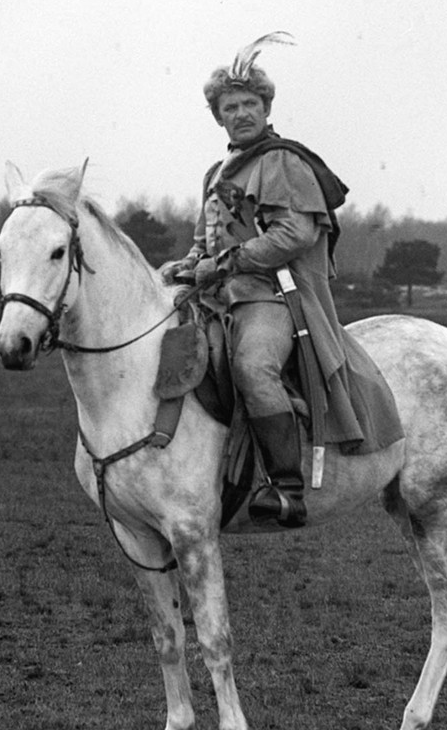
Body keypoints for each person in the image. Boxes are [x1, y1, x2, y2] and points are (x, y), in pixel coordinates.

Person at [163, 33, 403, 528]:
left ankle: (285, 487)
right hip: (216, 297)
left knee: (253, 365)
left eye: (251, 103)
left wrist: (224, 264)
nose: (242, 113)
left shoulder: (283, 162)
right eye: (231, 106)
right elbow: (204, 240)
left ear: (267, 107)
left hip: (272, 296)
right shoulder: (217, 171)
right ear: (219, 116)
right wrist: (186, 265)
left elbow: (294, 232)